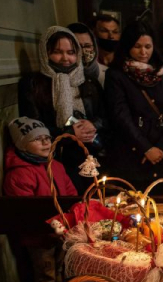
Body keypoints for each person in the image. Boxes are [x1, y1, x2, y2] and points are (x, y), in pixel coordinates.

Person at [3, 117, 77, 282]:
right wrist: (49, 230)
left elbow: (70, 194)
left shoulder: (56, 166)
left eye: (47, 138)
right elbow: (26, 213)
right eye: (38, 139)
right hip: (38, 238)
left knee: (63, 270)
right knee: (46, 276)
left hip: (62, 233)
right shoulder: (19, 174)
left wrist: (71, 220)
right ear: (21, 144)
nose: (46, 143)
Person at [18, 26, 107, 193]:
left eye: (71, 52)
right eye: (57, 52)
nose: (65, 58)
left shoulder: (89, 82)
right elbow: (33, 128)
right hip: (55, 158)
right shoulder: (32, 84)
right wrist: (69, 133)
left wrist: (93, 124)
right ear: (46, 53)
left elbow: (106, 116)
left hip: (89, 156)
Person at [105, 21, 163, 190]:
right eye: (137, 46)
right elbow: (120, 115)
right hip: (132, 152)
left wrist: (162, 147)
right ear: (127, 46)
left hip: (162, 152)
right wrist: (146, 148)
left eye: (148, 46)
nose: (143, 52)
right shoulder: (116, 74)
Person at [67, 22, 107, 87]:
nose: (83, 51)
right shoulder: (61, 76)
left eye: (87, 46)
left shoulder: (107, 74)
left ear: (94, 47)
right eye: (77, 46)